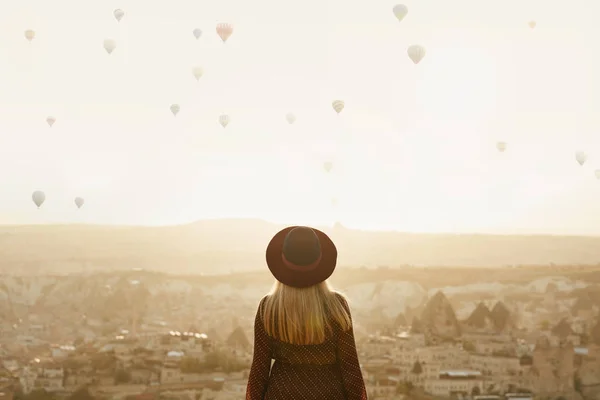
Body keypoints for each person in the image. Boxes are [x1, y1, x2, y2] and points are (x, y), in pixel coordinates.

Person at [246, 226, 368, 400]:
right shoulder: (336, 306)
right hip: (329, 394)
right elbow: (350, 369)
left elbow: (259, 371)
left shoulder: (268, 308)